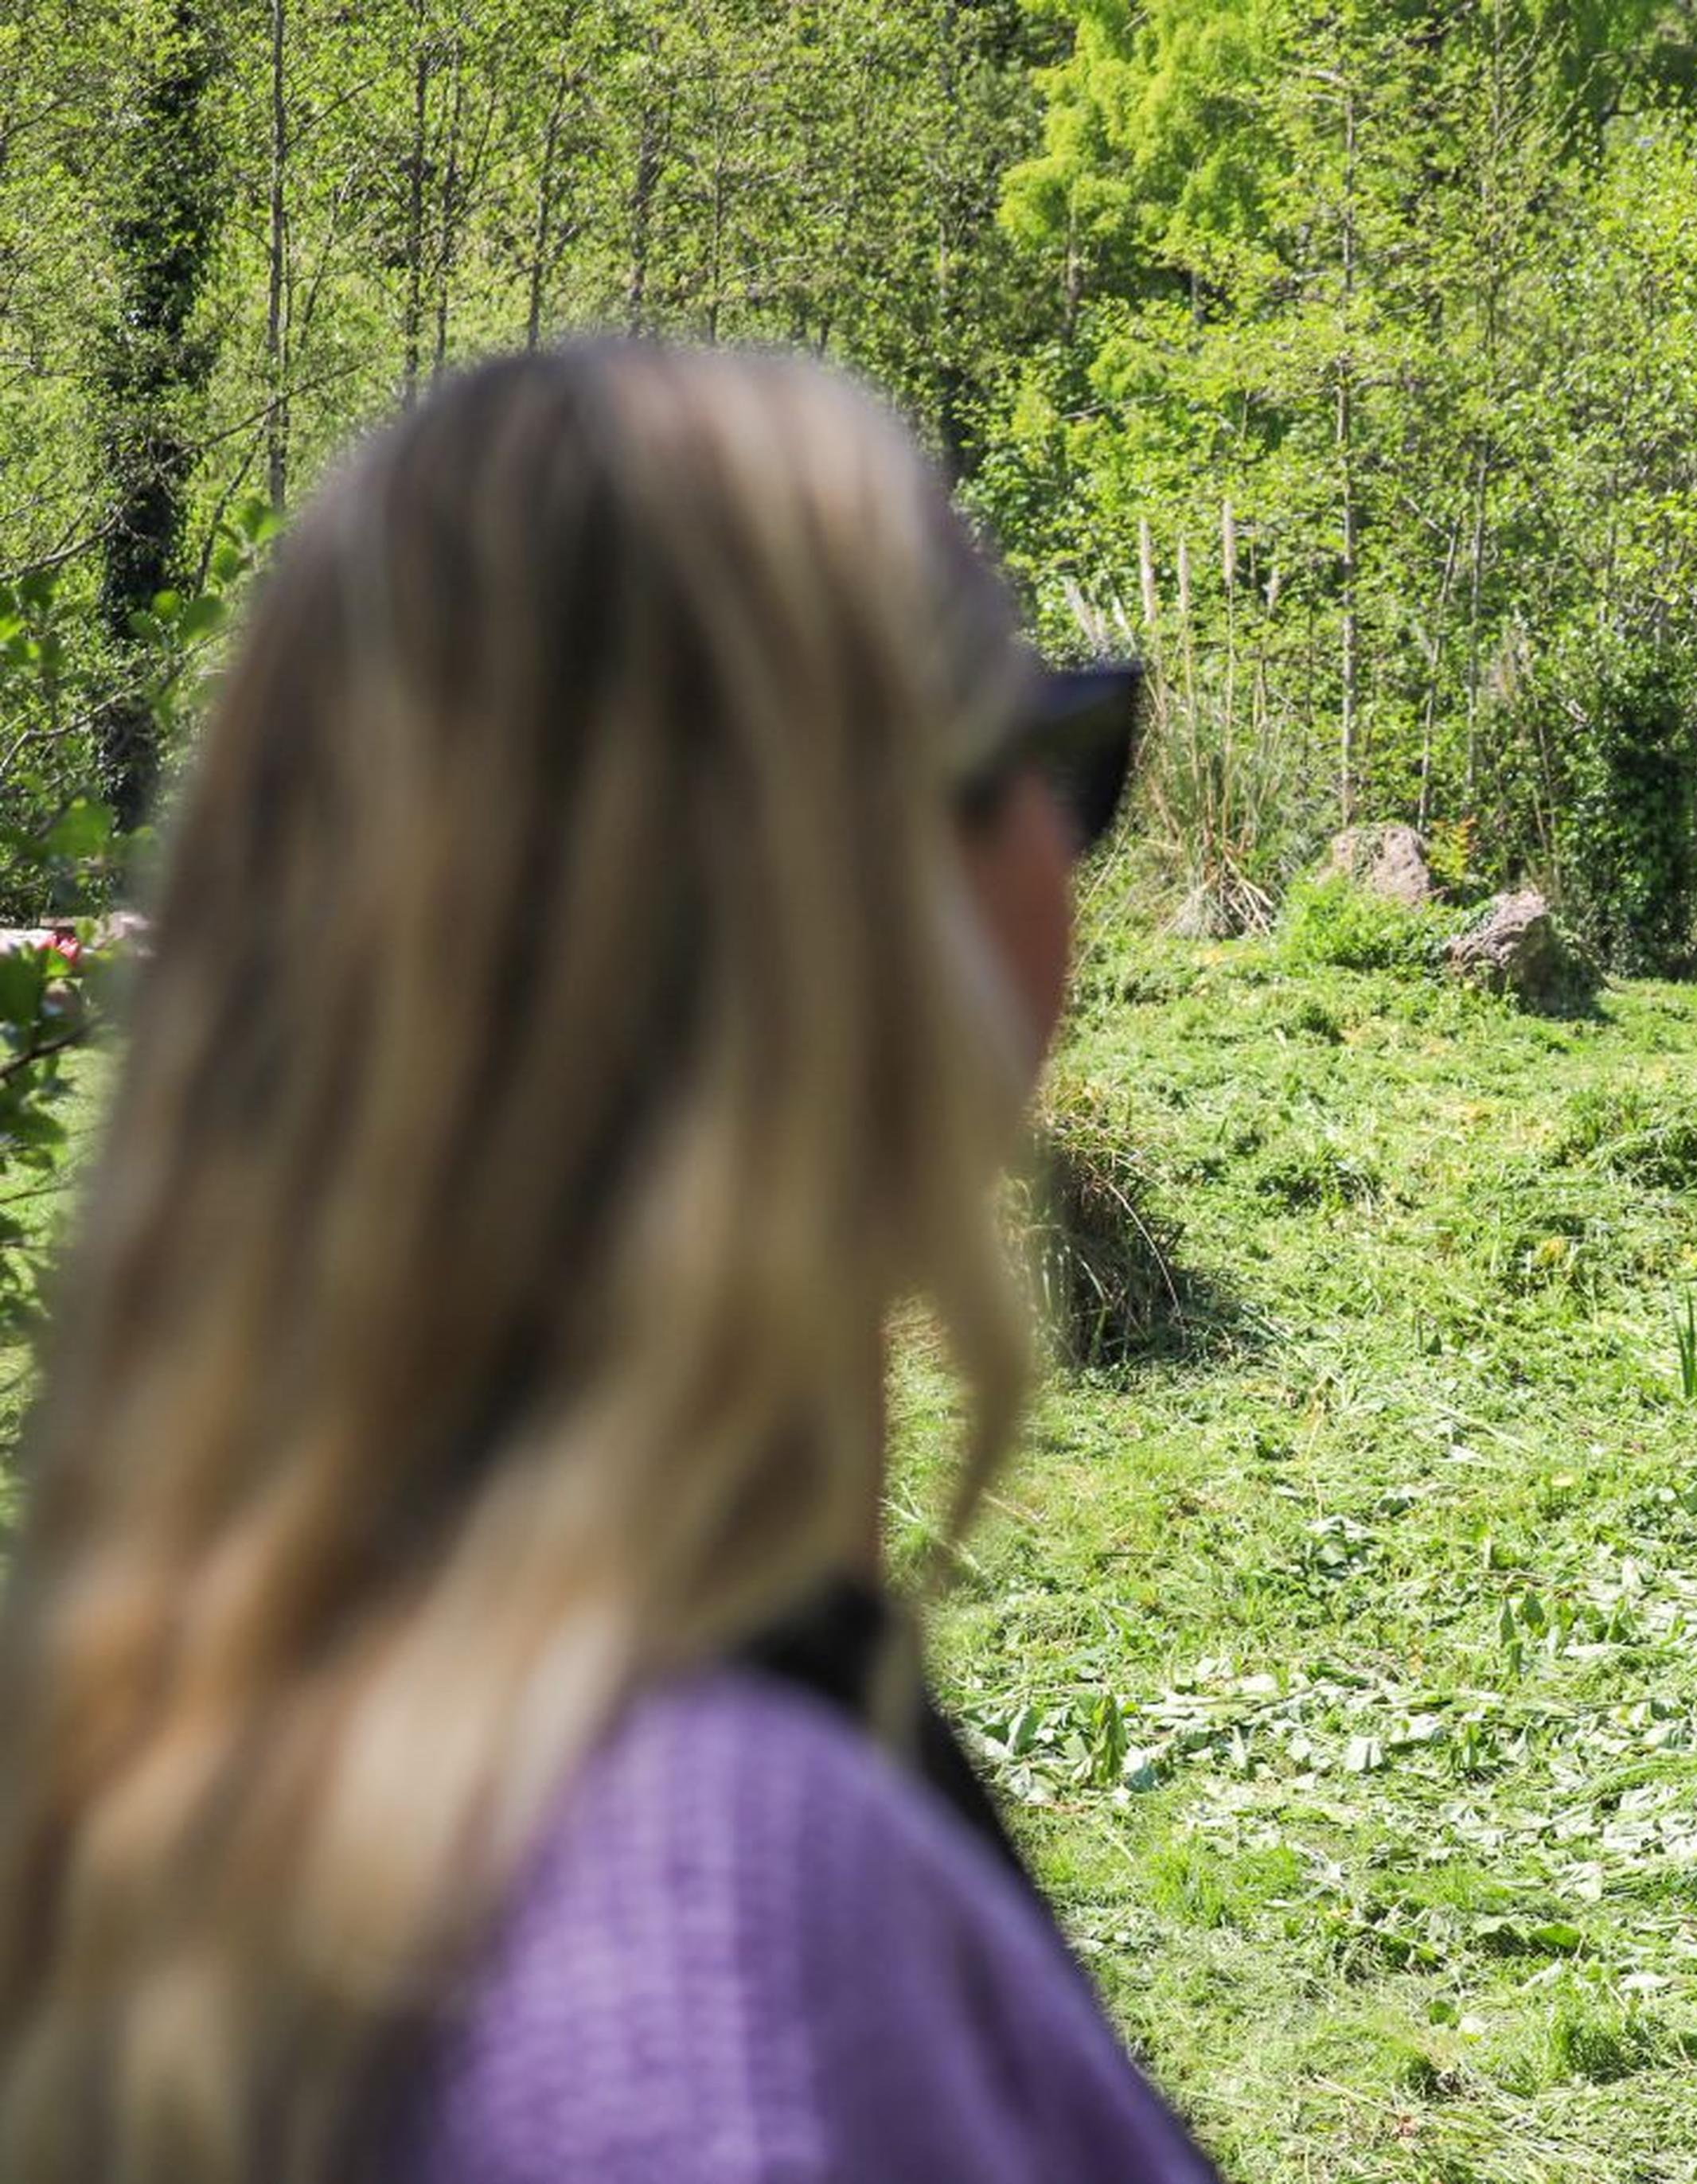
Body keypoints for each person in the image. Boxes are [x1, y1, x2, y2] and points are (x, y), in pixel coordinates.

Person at [0, 344, 1216, 2183]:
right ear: (840, 899)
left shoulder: (191, 1705)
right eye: (1049, 749)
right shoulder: (702, 1904)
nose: (1069, 842)